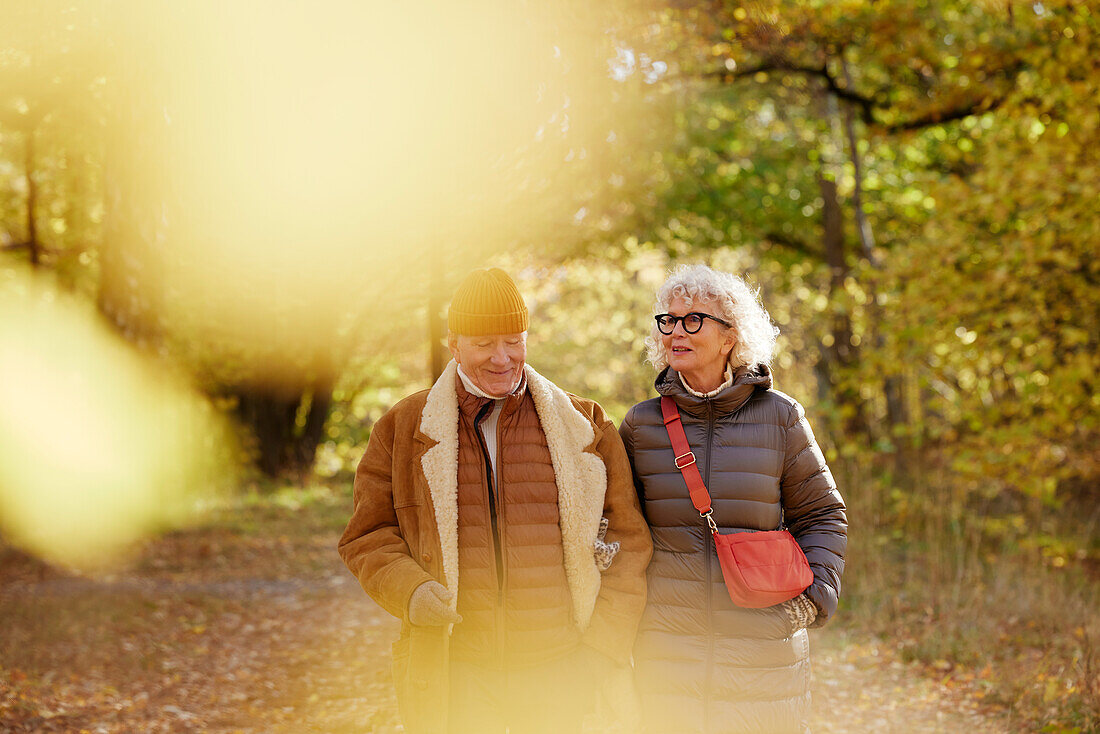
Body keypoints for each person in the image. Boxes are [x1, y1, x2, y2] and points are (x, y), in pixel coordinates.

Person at [338, 267, 652, 734]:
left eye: (514, 341)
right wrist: (411, 591)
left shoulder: (584, 425)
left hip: (560, 670)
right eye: (484, 343)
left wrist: (600, 652)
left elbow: (628, 542)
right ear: (454, 343)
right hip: (458, 671)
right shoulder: (403, 427)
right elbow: (367, 535)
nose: (502, 358)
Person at [618, 264, 847, 734]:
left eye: (692, 320)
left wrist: (813, 597)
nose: (676, 332)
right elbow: (619, 523)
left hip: (762, 649)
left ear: (730, 336)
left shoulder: (780, 416)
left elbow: (823, 513)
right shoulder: (641, 425)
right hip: (668, 651)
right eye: (669, 320)